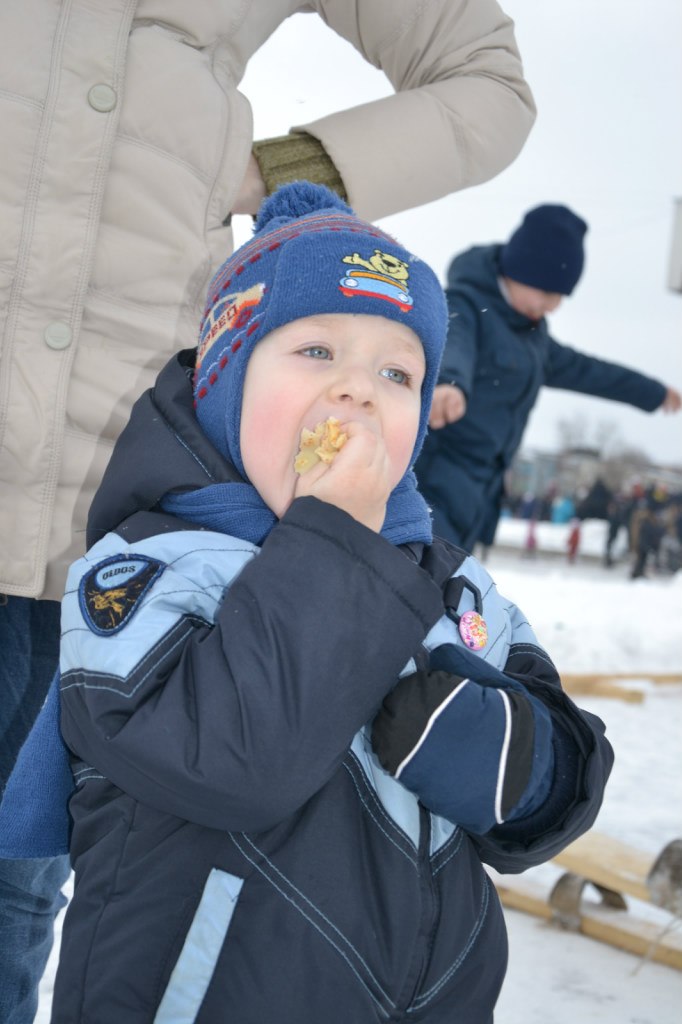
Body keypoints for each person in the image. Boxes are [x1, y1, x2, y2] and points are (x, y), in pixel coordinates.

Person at [0, 3, 537, 1017]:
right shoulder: (155, 579)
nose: (356, 394)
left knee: (14, 892)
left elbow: (484, 77)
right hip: (154, 534)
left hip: (85, 473)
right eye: (318, 352)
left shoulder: (451, 589)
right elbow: (225, 758)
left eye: (394, 372)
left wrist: (272, 172)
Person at [414, 204, 682, 553]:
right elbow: (454, 342)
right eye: (549, 293)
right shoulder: (467, 304)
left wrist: (653, 392)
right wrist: (448, 384)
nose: (554, 306)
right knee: (416, 581)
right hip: (436, 479)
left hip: (481, 492)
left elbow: (589, 371)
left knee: (452, 589)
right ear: (522, 272)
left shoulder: (533, 339)